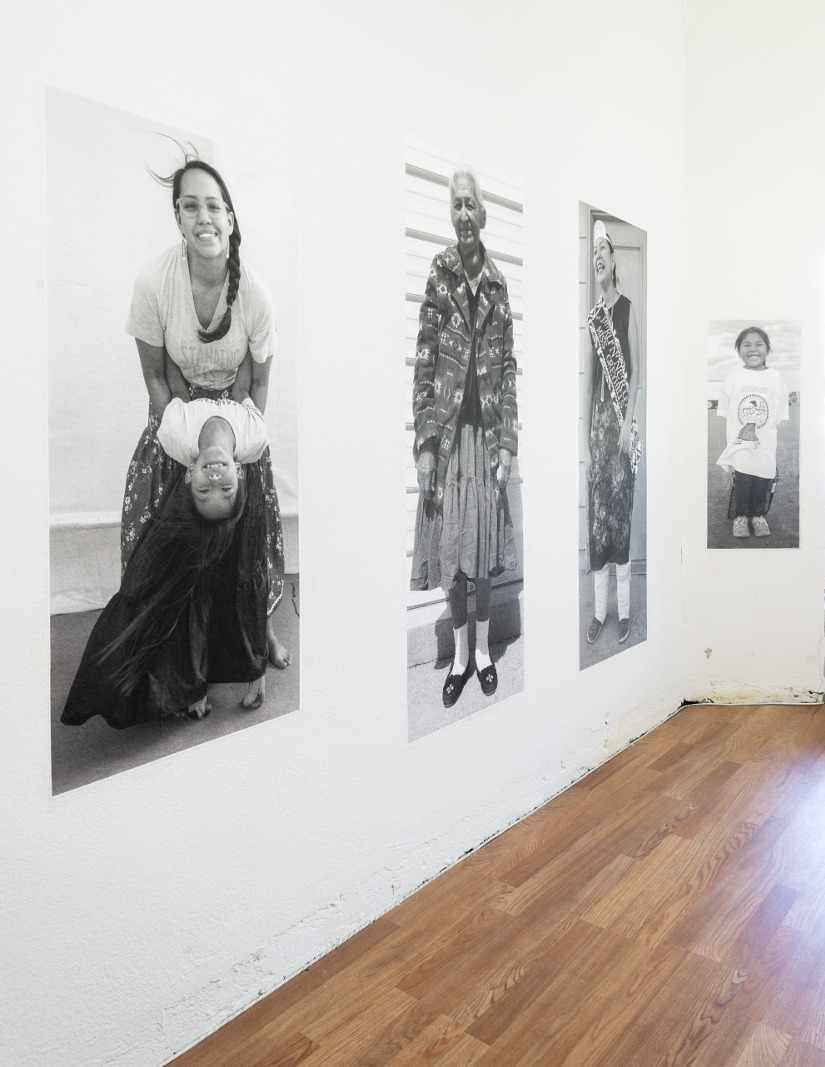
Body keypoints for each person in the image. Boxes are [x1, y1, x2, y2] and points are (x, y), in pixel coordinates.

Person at [122, 149, 291, 670]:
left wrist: (238, 447)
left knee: (242, 541)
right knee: (177, 545)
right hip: (175, 417)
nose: (204, 218)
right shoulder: (154, 282)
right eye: (191, 207)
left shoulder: (255, 295)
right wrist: (181, 440)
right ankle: (173, 650)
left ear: (230, 218)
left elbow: (259, 380)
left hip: (235, 421)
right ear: (178, 218)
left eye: (214, 207)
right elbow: (154, 374)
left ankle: (255, 633)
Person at [410, 167, 517, 708]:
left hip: (486, 435)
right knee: (454, 549)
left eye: (470, 204)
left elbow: (509, 368)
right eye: (455, 206)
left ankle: (482, 655)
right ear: (450, 214)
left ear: (483, 212)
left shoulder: (498, 283)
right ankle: (457, 658)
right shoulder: (440, 271)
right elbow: (424, 356)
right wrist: (425, 442)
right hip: (449, 438)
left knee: (480, 549)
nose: (463, 214)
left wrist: (506, 445)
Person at [60, 465, 270, 728]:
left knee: (241, 571)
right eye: (207, 488)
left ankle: (252, 658)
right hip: (177, 474)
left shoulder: (244, 455)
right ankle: (189, 684)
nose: (216, 479)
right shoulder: (187, 460)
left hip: (240, 486)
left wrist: (261, 646)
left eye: (223, 487)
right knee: (179, 580)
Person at [582, 220, 642, 647]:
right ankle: (599, 613)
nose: (598, 255)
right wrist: (585, 443)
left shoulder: (626, 309)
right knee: (597, 522)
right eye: (594, 251)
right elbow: (589, 384)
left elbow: (635, 371)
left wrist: (626, 424)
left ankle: (623, 614)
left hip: (621, 427)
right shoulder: (593, 319)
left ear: (615, 259)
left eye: (604, 249)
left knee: (620, 519)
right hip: (598, 431)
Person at [716, 327, 789, 538]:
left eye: (759, 344)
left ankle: (758, 516)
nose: (753, 349)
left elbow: (778, 411)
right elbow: (728, 410)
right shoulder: (733, 377)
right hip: (740, 443)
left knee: (763, 480)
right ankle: (740, 518)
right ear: (739, 350)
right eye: (746, 345)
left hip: (765, 442)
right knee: (743, 479)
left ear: (767, 350)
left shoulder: (776, 378)